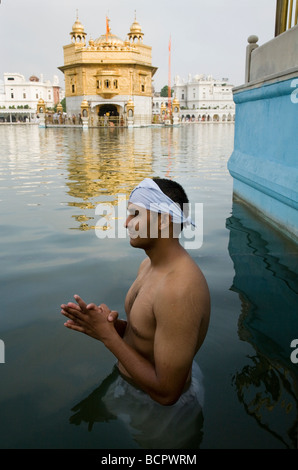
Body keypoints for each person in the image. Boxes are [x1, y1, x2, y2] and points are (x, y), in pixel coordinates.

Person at [61, 177, 210, 407]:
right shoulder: (148, 266)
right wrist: (108, 326)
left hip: (165, 419)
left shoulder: (179, 289)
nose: (126, 223)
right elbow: (145, 334)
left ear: (163, 221)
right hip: (133, 389)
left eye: (135, 214)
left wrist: (107, 336)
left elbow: (167, 394)